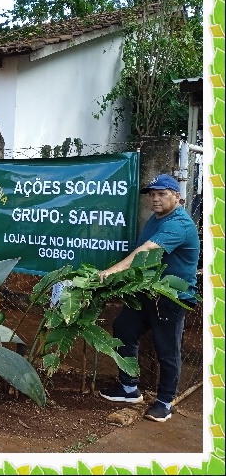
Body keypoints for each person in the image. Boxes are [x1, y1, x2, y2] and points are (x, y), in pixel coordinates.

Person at [99, 174, 200, 423]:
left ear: (177, 196)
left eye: (162, 193)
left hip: (170, 296)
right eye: (152, 194)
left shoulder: (179, 224)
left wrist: (112, 272)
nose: (155, 198)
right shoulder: (155, 220)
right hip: (146, 292)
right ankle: (129, 388)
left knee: (167, 349)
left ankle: (165, 402)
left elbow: (146, 252)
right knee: (123, 328)